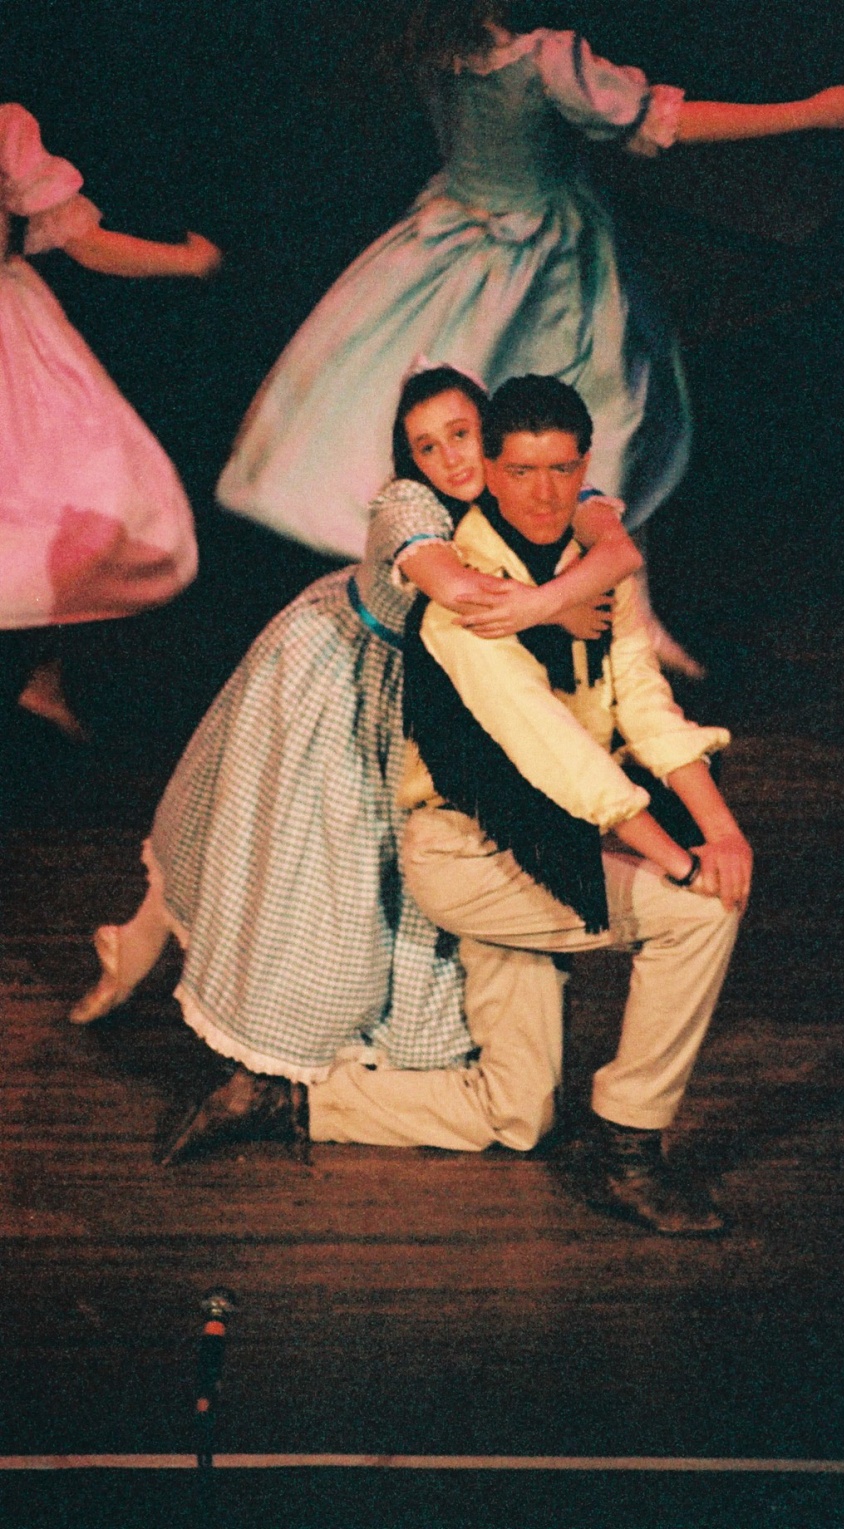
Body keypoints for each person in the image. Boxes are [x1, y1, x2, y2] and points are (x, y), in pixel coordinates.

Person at [191, 375, 753, 1236]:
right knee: (698, 914)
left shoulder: (592, 560)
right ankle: (630, 1149)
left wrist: (722, 830)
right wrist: (679, 861)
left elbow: (644, 705)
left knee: (517, 1114)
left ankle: (294, 1101)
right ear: (489, 471)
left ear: (586, 470)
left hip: (539, 847)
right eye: (521, 472)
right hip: (474, 856)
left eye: (562, 471)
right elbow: (560, 757)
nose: (544, 494)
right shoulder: (466, 604)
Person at [70, 367, 641, 1150]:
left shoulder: (524, 480)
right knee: (306, 872)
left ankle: (347, 1060)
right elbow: (454, 589)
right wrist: (555, 606)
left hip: (437, 694)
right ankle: (197, 995)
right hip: (347, 674)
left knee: (398, 882)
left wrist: (562, 588)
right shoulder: (406, 507)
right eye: (427, 446)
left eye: (461, 434)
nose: (449, 457)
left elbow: (617, 547)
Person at [215, 1, 844, 662]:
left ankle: (600, 612)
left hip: (455, 238)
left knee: (532, 425)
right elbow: (662, 123)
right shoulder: (544, 58)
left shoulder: (437, 50)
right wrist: (809, 112)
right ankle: (558, 614)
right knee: (600, 420)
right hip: (541, 263)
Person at [0, 103, 221, 737]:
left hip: (17, 346)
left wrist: (185, 260)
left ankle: (35, 669)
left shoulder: (6, 128)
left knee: (72, 506)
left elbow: (88, 245)